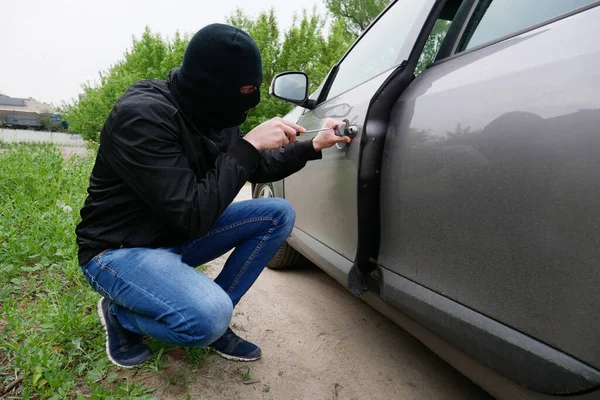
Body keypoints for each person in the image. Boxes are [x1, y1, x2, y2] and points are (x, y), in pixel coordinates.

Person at [75, 23, 351, 368]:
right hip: (118, 250)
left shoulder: (215, 111)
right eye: (244, 90)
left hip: (171, 237)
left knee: (277, 213)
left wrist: (313, 144)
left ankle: (213, 319)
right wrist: (249, 144)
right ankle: (123, 317)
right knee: (206, 318)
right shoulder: (142, 115)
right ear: (212, 86)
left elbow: (257, 166)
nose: (248, 102)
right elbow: (193, 213)